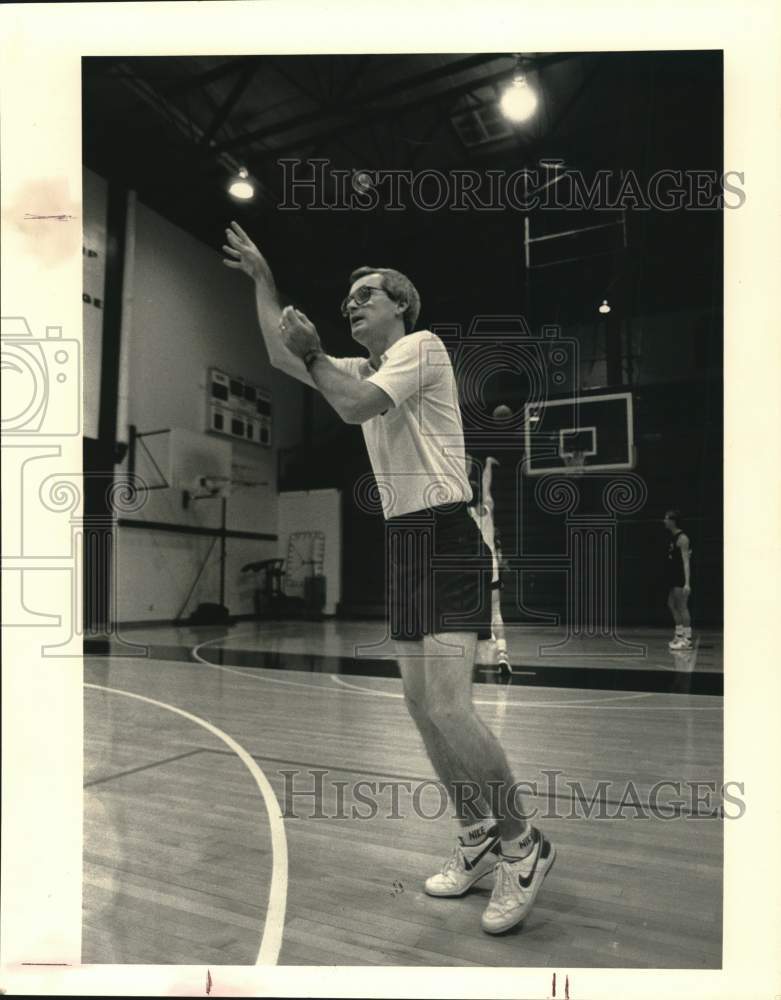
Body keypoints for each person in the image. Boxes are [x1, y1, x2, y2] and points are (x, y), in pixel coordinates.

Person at [222, 221, 555, 935]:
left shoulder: (419, 349)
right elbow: (289, 360)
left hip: (443, 533)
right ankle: (474, 839)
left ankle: (522, 846)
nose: (352, 304)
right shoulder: (361, 366)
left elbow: (347, 404)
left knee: (451, 707)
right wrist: (263, 282)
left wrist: (313, 355)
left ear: (400, 304)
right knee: (419, 708)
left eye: (365, 295)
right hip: (404, 539)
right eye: (347, 299)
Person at [466, 455, 512, 675]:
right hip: (491, 564)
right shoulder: (488, 508)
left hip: (472, 565)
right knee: (496, 612)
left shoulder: (465, 514)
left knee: (466, 611)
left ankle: (468, 660)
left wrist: (464, 465)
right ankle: (502, 655)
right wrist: (487, 466)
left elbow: (463, 486)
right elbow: (486, 485)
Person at [663, 509, 693, 649]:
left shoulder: (683, 538)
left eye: (666, 518)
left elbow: (686, 562)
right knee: (671, 604)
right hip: (672, 577)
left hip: (680, 578)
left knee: (682, 607)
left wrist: (687, 583)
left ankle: (687, 639)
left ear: (672, 521)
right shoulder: (672, 537)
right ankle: (679, 635)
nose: (664, 521)